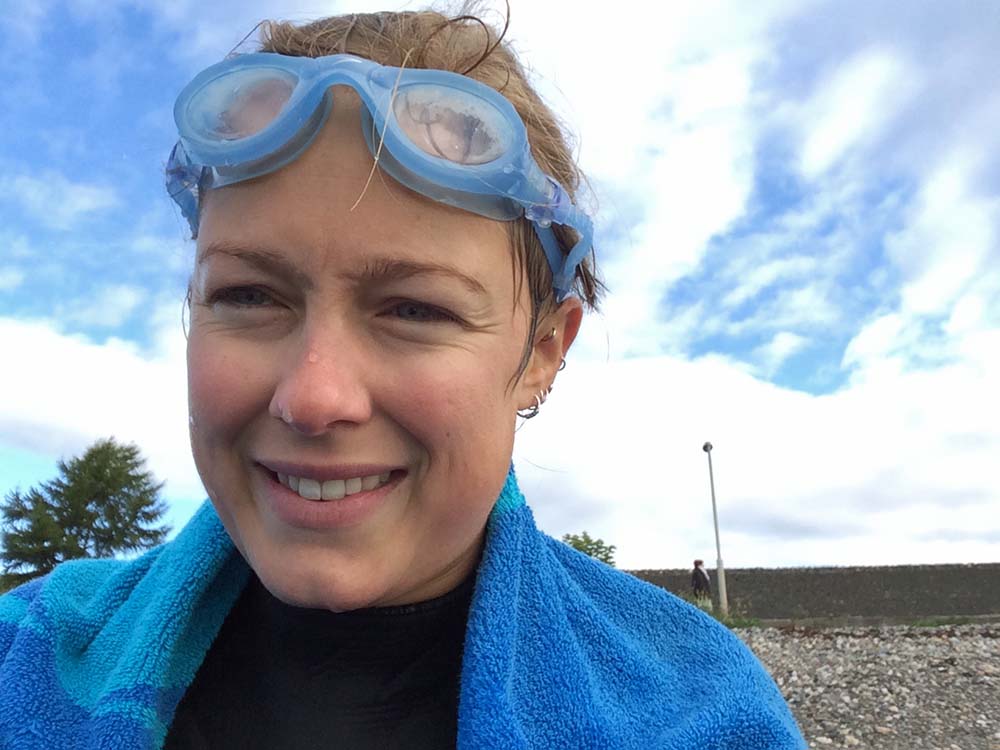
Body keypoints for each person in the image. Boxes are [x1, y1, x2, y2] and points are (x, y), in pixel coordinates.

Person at [0, 8, 807, 749]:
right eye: (248, 295)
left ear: (541, 354)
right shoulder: (26, 652)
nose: (314, 397)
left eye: (415, 310)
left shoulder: (697, 713)